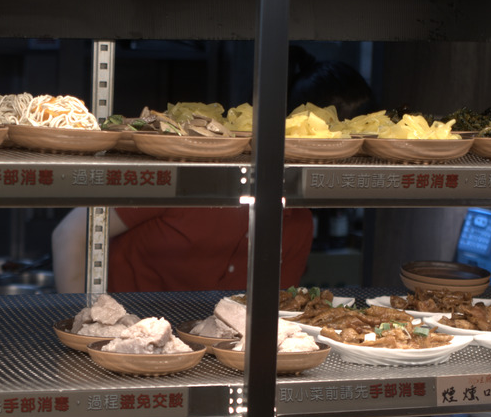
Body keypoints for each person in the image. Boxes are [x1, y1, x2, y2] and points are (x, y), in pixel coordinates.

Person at [52, 50, 375, 293]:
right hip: (120, 345)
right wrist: (87, 330)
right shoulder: (188, 175)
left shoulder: (298, 224)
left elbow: (271, 313)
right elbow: (71, 235)